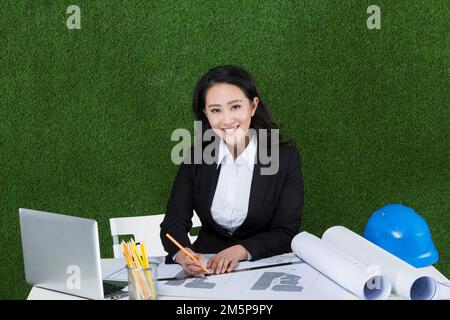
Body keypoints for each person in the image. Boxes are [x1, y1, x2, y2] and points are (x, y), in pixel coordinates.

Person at [160, 65, 304, 277]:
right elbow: (172, 224)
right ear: (206, 113)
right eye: (216, 110)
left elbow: (285, 232)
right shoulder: (195, 157)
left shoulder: (285, 159)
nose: (227, 120)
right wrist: (183, 254)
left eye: (235, 107)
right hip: (206, 270)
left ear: (253, 106)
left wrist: (240, 251)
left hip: (262, 267)